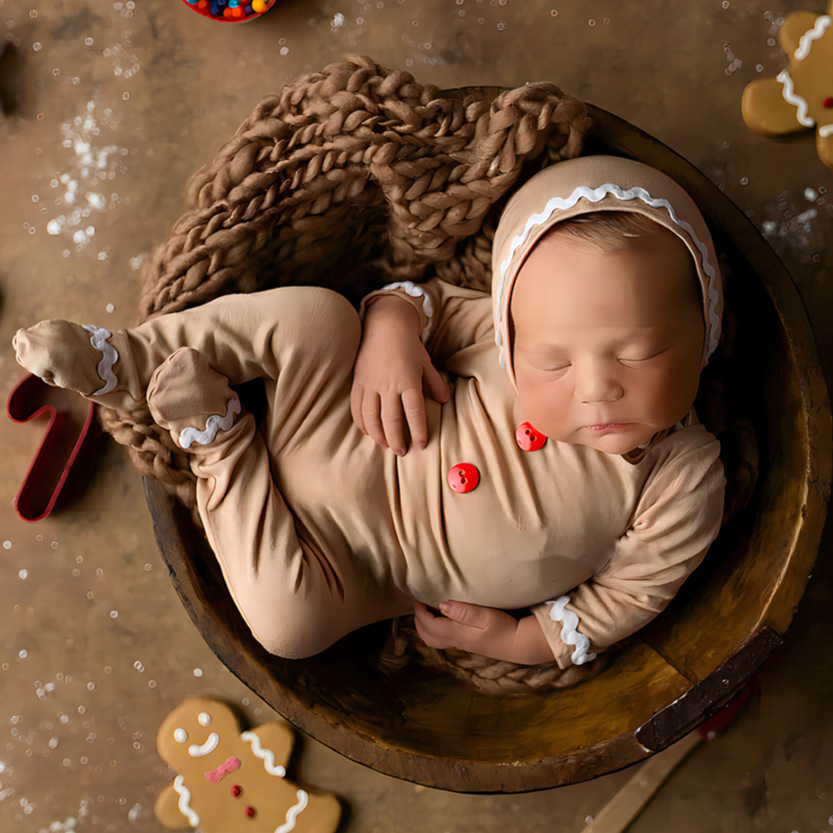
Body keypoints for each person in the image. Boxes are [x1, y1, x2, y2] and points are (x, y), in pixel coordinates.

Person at [13, 155, 724, 672]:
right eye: (554, 363)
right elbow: (426, 301)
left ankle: (216, 437)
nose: (597, 387)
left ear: (705, 334)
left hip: (355, 566)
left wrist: (518, 641)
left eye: (641, 351)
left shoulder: (682, 476)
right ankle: (129, 361)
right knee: (318, 320)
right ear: (515, 337)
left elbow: (628, 597)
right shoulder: (500, 337)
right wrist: (390, 329)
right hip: (328, 419)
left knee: (289, 626)